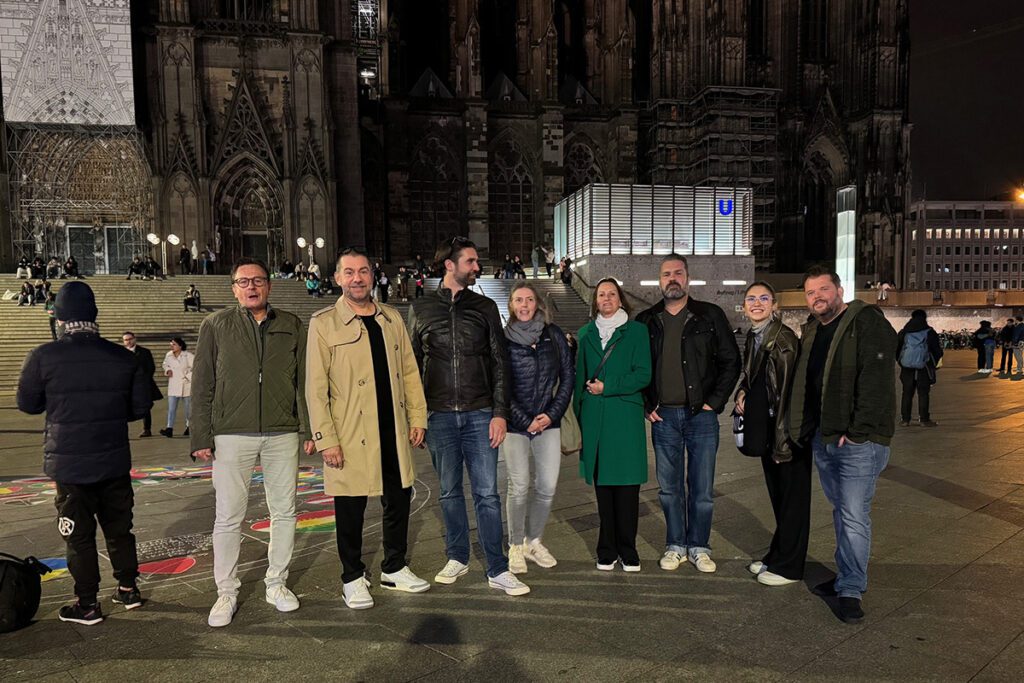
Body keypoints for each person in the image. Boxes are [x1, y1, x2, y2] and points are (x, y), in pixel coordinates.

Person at [17, 281, 152, 625]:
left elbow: (27, 404)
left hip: (70, 465)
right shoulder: (123, 357)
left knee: (78, 537)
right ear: (94, 315)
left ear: (60, 318)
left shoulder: (44, 356)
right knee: (120, 529)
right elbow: (139, 408)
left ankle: (87, 604)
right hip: (113, 460)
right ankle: (127, 589)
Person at [190, 257, 315, 628]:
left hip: (282, 431)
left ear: (269, 286)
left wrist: (309, 430)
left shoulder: (291, 324)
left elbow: (304, 380)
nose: (251, 287)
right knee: (228, 516)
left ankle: (276, 582)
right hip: (230, 432)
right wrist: (201, 435)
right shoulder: (215, 325)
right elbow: (202, 384)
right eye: (243, 281)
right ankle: (226, 590)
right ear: (233, 288)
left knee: (285, 511)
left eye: (257, 280)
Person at [306, 248, 431, 609]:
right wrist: (325, 438)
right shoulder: (323, 323)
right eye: (349, 272)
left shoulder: (391, 319)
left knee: (399, 498)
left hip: (392, 427)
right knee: (350, 507)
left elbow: (410, 372)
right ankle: (352, 576)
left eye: (363, 271)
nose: (357, 278)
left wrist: (418, 417)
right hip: (349, 431)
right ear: (338, 278)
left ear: (372, 275)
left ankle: (394, 566)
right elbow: (315, 387)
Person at [408, 237, 529, 596]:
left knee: (487, 495)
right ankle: (457, 557)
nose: (477, 267)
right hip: (439, 415)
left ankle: (497, 567)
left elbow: (499, 362)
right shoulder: (421, 308)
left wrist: (500, 413)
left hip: (480, 414)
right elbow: (411, 366)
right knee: (448, 492)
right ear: (450, 265)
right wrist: (417, 416)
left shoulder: (486, 307)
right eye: (471, 262)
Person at [788, 265, 896, 624]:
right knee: (842, 512)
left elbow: (878, 375)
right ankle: (847, 574)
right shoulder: (814, 330)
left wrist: (859, 429)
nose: (817, 297)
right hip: (825, 435)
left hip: (856, 440)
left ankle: (850, 588)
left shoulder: (865, 321)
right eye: (810, 292)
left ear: (839, 289)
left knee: (852, 514)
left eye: (823, 289)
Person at [635, 255, 741, 574]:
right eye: (666, 274)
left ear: (688, 278)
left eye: (678, 273)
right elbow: (635, 367)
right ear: (659, 280)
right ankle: (675, 544)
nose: (672, 279)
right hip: (663, 417)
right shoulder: (646, 320)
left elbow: (731, 361)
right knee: (668, 487)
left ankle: (699, 546)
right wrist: (645, 404)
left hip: (701, 416)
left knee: (702, 487)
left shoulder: (709, 315)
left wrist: (714, 402)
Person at [734, 282, 809, 587]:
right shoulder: (757, 336)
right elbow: (757, 380)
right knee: (779, 497)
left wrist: (782, 443)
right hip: (770, 429)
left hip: (786, 433)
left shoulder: (783, 340)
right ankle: (778, 555)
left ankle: (790, 567)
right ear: (744, 306)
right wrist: (743, 392)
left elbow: (787, 395)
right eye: (751, 299)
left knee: (792, 500)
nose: (757, 303)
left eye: (764, 298)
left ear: (774, 305)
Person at [574, 278, 651, 572]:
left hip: (625, 417)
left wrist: (609, 386)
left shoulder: (637, 332)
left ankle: (628, 549)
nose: (606, 298)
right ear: (595, 300)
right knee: (603, 487)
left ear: (621, 299)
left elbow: (643, 374)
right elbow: (580, 379)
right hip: (594, 418)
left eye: (612, 294)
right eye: (601, 294)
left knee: (628, 487)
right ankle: (606, 548)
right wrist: (578, 421)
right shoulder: (585, 334)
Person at [502, 284, 575, 574]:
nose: (524, 304)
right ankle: (516, 545)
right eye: (518, 299)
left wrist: (551, 414)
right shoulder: (503, 339)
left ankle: (534, 540)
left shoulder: (553, 334)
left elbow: (568, 375)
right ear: (510, 304)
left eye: (529, 299)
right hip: (515, 425)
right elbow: (501, 385)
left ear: (537, 304)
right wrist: (524, 419)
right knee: (518, 486)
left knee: (547, 486)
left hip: (549, 422)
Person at [896, 310, 943, 427]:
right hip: (924, 368)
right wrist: (933, 363)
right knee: (923, 394)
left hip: (907, 369)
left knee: (906, 393)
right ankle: (924, 420)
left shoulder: (904, 332)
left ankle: (905, 420)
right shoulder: (929, 332)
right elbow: (937, 350)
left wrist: (902, 362)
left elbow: (896, 349)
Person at [120, 331, 161, 438]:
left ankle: (147, 429)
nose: (128, 341)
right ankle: (123, 431)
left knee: (145, 407)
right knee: (123, 408)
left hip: (142, 385)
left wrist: (143, 380)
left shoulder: (145, 352)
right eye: (126, 340)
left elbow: (151, 368)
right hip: (127, 385)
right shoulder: (120, 353)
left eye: (130, 339)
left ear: (134, 339)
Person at [160, 337, 194, 438]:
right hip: (174, 384)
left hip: (186, 385)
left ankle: (189, 427)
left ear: (180, 345)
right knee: (171, 409)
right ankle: (169, 428)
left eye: (174, 344)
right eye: (171, 344)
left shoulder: (188, 356)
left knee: (188, 409)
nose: (172, 346)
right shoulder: (169, 355)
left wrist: (187, 377)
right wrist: (167, 370)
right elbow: (165, 364)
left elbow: (196, 367)